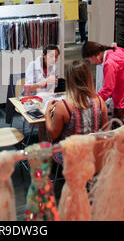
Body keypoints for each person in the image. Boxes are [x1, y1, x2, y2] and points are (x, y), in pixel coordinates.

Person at [44, 60, 109, 200]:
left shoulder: (64, 106)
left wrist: (46, 115)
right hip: (93, 155)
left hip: (70, 157)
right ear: (88, 78)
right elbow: (106, 132)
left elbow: (52, 133)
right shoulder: (99, 101)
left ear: (70, 80)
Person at [82, 41, 124, 183]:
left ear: (95, 55)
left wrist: (93, 101)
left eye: (89, 60)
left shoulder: (109, 63)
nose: (91, 63)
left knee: (122, 138)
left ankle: (122, 173)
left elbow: (108, 89)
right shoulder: (117, 51)